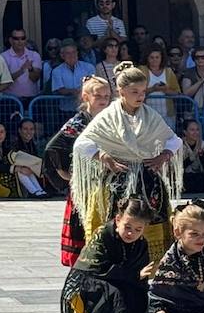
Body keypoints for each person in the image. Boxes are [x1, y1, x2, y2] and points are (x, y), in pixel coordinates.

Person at [72, 63, 183, 265]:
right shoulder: (108, 116)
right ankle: (114, 263)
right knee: (116, 222)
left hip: (147, 179)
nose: (140, 96)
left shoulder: (150, 115)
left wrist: (163, 156)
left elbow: (174, 140)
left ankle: (150, 267)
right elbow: (82, 143)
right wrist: (104, 157)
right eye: (134, 92)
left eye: (143, 91)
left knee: (151, 222)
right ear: (121, 91)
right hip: (117, 179)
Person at [59, 197, 155, 313]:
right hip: (93, 279)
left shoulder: (141, 243)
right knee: (117, 295)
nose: (131, 234)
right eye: (127, 227)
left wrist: (139, 281)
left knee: (140, 295)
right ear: (118, 220)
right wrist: (134, 275)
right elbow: (97, 268)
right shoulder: (103, 234)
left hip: (124, 279)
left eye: (138, 229)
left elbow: (140, 272)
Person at [44, 76, 112, 265]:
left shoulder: (109, 119)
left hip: (105, 181)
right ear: (85, 97)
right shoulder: (79, 122)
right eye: (98, 95)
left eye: (107, 96)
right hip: (85, 184)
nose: (103, 100)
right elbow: (53, 148)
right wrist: (67, 174)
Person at [49, 41, 95, 107]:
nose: (72, 55)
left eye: (74, 52)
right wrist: (74, 91)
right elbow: (60, 90)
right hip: (66, 109)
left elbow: (93, 85)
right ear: (62, 55)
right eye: (68, 53)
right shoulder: (56, 71)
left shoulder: (89, 67)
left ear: (77, 53)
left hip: (85, 107)